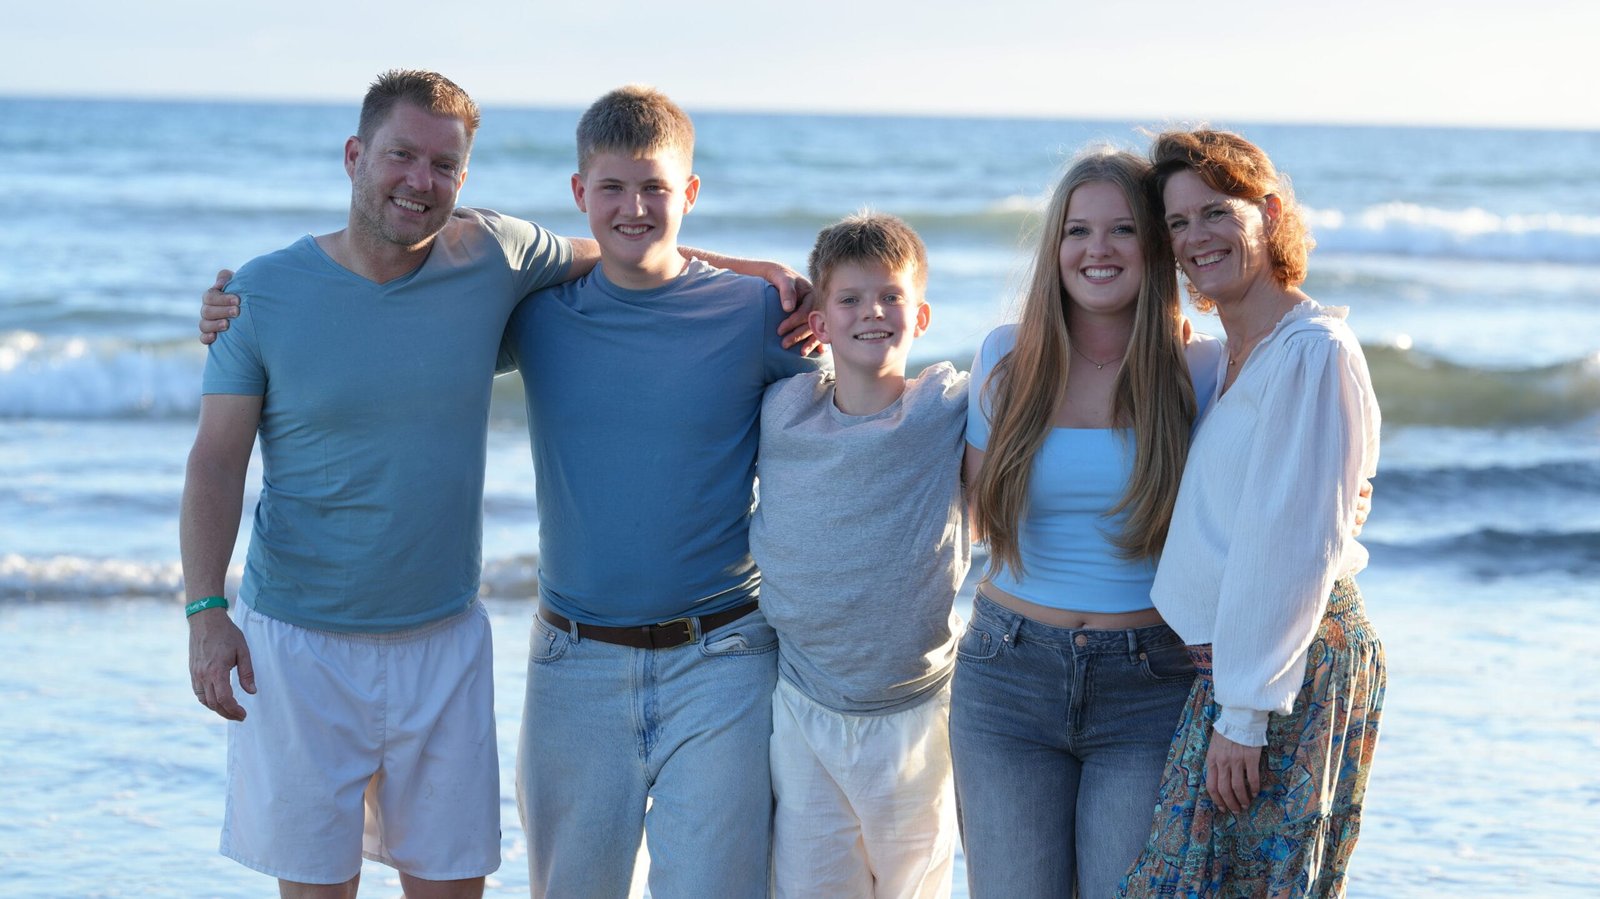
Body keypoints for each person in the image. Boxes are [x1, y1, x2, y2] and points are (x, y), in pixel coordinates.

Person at [181, 69, 585, 899]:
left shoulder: (492, 253)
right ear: (355, 156)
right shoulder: (259, 294)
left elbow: (629, 252)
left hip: (443, 640)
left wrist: (760, 275)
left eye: (444, 165)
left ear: (463, 179)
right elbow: (217, 460)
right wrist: (205, 611)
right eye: (402, 155)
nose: (420, 180)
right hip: (298, 647)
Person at [498, 86, 822, 899]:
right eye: (611, 187)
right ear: (580, 192)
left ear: (691, 192)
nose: (634, 207)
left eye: (655, 187)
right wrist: (246, 309)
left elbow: (865, 394)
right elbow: (410, 301)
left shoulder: (759, 313)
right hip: (573, 663)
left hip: (723, 659)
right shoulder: (536, 315)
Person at [1118, 128, 1384, 897]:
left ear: (1267, 211)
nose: (1195, 236)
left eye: (1215, 212)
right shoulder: (1232, 356)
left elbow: (1290, 548)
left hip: (1276, 675)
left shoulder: (1311, 350)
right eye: (1177, 222)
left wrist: (1244, 715)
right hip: (1238, 671)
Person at [952, 147, 1225, 899]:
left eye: (1122, 229)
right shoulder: (1007, 356)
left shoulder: (1204, 370)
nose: (1097, 249)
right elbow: (971, 511)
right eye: (1078, 230)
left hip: (1151, 680)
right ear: (1056, 246)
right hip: (1007, 673)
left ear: (1155, 246)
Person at [747, 212, 968, 898]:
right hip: (804, 707)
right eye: (849, 298)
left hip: (914, 713)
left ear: (921, 316)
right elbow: (666, 270)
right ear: (819, 319)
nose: (872, 311)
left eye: (890, 296)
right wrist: (762, 272)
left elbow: (1042, 349)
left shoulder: (945, 404)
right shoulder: (782, 410)